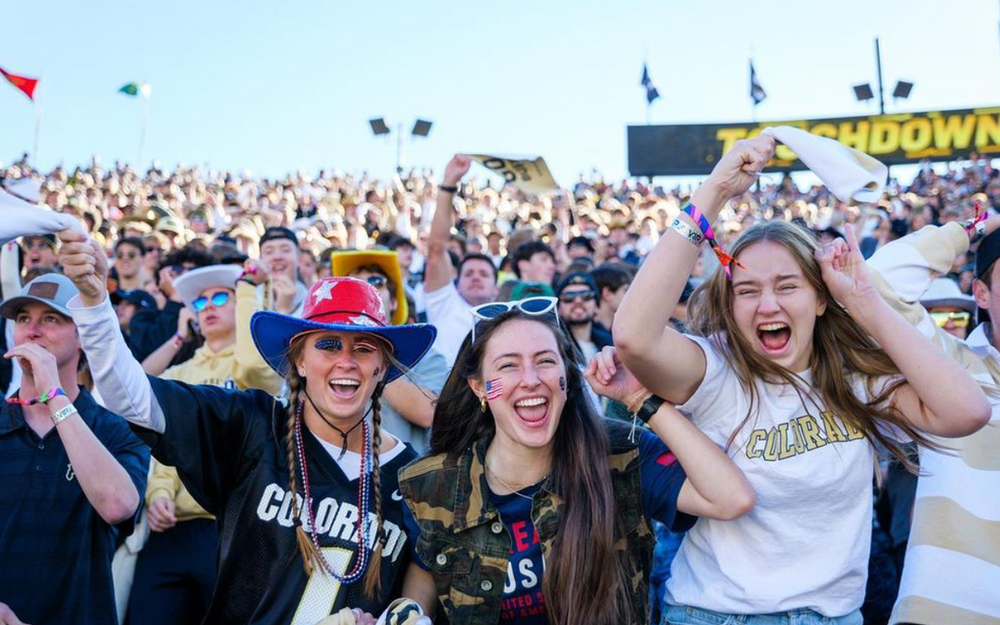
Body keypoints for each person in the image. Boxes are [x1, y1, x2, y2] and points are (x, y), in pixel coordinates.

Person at [612, 136, 991, 624]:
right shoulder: (714, 368)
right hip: (716, 615)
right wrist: (713, 194)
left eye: (787, 286)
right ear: (731, 307)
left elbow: (968, 411)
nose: (767, 305)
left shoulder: (854, 379)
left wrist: (863, 301)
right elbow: (635, 338)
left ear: (819, 299)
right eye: (747, 290)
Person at [59, 230, 438, 624]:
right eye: (328, 344)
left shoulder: (413, 478)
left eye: (363, 348)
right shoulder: (251, 426)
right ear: (300, 362)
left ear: (382, 368)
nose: (346, 360)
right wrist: (95, 303)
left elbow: (420, 585)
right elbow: (133, 400)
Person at [397, 298, 756, 625]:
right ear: (479, 387)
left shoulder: (620, 453)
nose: (531, 380)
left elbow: (731, 498)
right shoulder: (434, 485)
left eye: (545, 361)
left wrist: (640, 398)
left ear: (566, 376)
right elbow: (420, 589)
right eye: (508, 366)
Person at [128, 264, 284, 624]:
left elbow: (254, 371)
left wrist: (248, 290)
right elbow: (164, 446)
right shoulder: (177, 375)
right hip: (173, 531)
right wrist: (159, 493)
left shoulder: (261, 366)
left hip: (237, 533)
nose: (208, 306)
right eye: (199, 302)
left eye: (220, 297)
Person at [865, 217, 1000, 624]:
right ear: (981, 293)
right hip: (949, 612)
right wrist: (977, 226)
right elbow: (873, 282)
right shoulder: (950, 364)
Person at [0, 273, 149, 625]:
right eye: (23, 319)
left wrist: (54, 395)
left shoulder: (115, 430)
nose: (32, 331)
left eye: (50, 319)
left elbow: (119, 507)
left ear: (82, 333)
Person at [332, 249, 448, 453]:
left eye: (376, 281)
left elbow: (429, 413)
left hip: (402, 480)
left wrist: (372, 360)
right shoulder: (322, 353)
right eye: (353, 283)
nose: (364, 288)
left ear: (394, 301)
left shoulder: (426, 355)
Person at [423, 155, 499, 366]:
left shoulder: (507, 322)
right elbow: (436, 248)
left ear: (496, 289)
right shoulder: (445, 303)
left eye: (484, 274)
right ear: (456, 282)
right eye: (468, 273)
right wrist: (449, 183)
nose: (476, 277)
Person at [555, 271, 613, 363]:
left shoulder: (612, 345)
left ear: (596, 306)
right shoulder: (554, 346)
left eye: (586, 295)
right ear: (558, 309)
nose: (578, 301)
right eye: (569, 297)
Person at [258, 226, 309, 315]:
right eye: (269, 252)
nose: (277, 257)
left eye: (285, 250)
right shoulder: (250, 299)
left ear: (299, 258)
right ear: (260, 260)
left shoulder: (312, 302)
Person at [590, 263, 632, 336]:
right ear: (607, 293)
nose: (629, 296)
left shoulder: (618, 331)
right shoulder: (589, 334)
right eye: (625, 290)